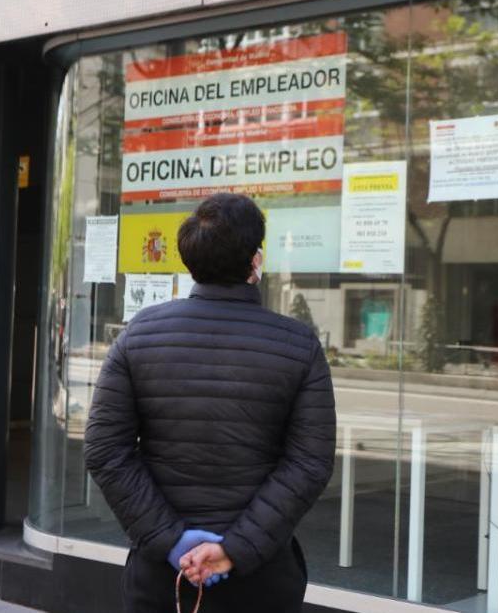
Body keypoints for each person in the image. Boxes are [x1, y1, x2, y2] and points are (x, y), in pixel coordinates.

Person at [83, 193, 337, 612]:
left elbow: (106, 450)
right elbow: (309, 463)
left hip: (162, 577)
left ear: (190, 262)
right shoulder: (298, 344)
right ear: (256, 262)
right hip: (262, 577)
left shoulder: (139, 334)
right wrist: (235, 548)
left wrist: (171, 541)